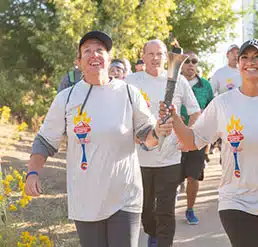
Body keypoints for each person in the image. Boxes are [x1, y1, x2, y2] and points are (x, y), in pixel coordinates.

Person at [160, 38, 258, 247]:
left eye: (257, 57)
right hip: (235, 199)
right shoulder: (223, 104)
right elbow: (192, 141)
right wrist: (175, 120)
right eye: (244, 57)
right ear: (238, 65)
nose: (249, 61)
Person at [24, 31, 172, 247]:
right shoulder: (66, 98)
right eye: (87, 51)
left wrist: (158, 131)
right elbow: (45, 141)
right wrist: (32, 173)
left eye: (100, 50)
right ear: (79, 61)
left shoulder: (130, 93)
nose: (94, 55)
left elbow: (147, 138)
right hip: (86, 200)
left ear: (109, 58)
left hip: (125, 196)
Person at [125, 39, 200, 247]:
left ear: (166, 57)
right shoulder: (130, 82)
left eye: (160, 54)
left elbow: (195, 112)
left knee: (165, 209)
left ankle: (163, 243)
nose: (155, 58)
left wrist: (187, 138)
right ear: (143, 56)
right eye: (151, 54)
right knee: (145, 209)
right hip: (140, 158)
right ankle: (154, 235)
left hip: (170, 157)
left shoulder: (178, 81)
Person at [180, 51, 214, 225]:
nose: (191, 65)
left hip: (197, 139)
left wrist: (208, 142)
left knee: (193, 177)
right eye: (187, 61)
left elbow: (211, 111)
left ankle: (190, 209)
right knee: (171, 177)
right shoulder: (173, 83)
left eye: (194, 61)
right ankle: (165, 212)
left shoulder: (205, 86)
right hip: (174, 138)